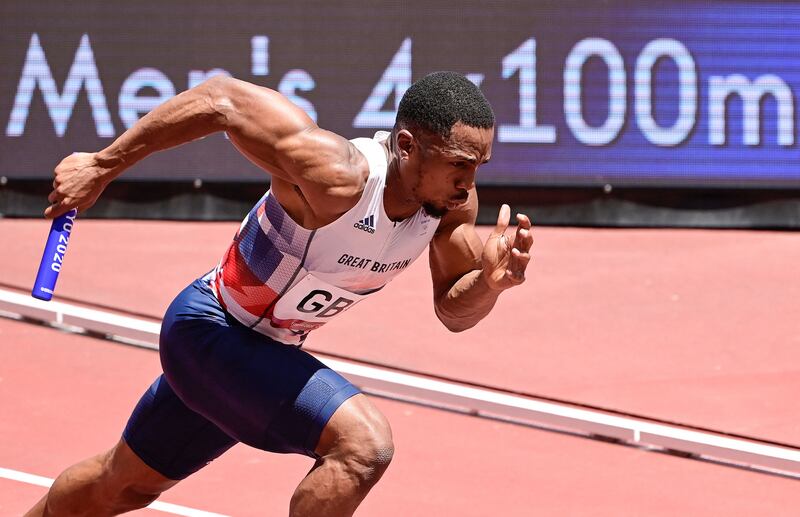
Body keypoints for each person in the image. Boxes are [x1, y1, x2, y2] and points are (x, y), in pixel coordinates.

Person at [27, 71, 533, 516]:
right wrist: (102, 165)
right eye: (460, 164)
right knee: (363, 445)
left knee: (119, 486)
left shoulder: (450, 206)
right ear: (406, 146)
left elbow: (453, 311)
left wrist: (489, 285)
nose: (469, 183)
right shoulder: (337, 175)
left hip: (257, 357)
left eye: (479, 166)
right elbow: (221, 98)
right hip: (209, 330)